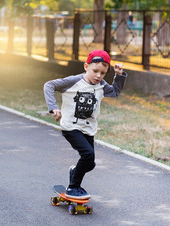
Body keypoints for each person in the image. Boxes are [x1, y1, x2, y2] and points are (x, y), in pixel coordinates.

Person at [44, 50, 127, 199]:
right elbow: (49, 85)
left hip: (88, 128)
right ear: (86, 66)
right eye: (95, 71)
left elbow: (115, 92)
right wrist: (53, 107)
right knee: (87, 154)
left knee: (90, 164)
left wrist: (119, 76)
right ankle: (73, 188)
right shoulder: (73, 81)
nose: (98, 76)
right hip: (71, 127)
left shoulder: (101, 85)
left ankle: (74, 172)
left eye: (103, 73)